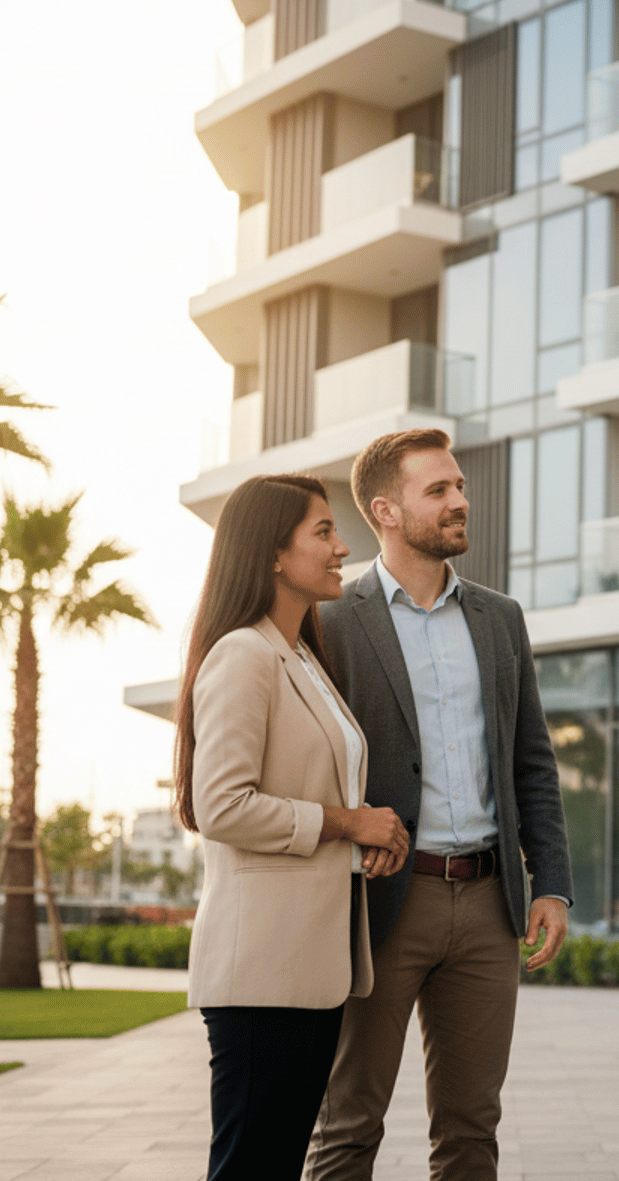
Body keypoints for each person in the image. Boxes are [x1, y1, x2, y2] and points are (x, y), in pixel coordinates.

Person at [306, 428, 573, 1181]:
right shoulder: (332, 619)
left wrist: (550, 883)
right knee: (348, 1122)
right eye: (439, 490)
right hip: (381, 900)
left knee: (471, 1130)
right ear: (385, 511)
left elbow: (532, 760)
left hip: (489, 906)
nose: (460, 500)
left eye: (459, 486)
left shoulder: (500, 617)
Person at [176, 472, 413, 1181]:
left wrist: (368, 841)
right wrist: (348, 823)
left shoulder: (301, 657)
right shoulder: (243, 654)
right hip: (260, 973)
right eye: (324, 531)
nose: (343, 548)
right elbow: (221, 806)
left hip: (306, 971)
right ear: (274, 553)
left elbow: (304, 793)